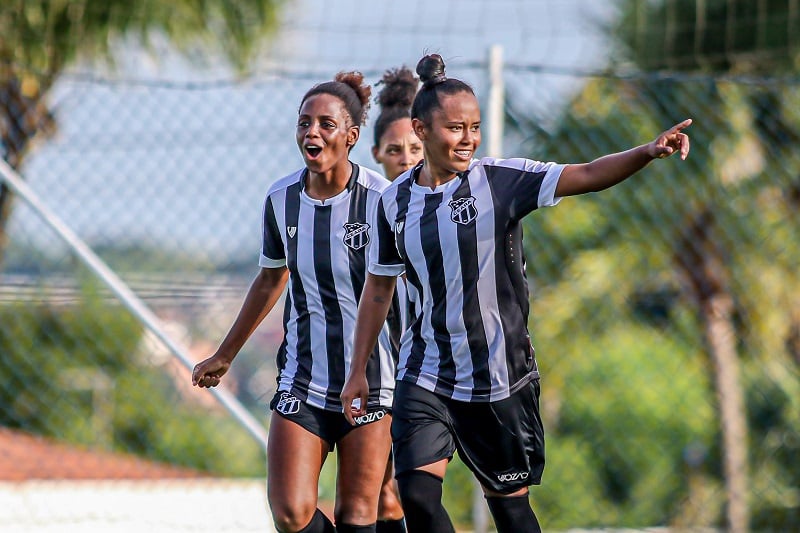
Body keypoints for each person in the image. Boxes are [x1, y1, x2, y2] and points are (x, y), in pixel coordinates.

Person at [341, 53, 692, 533]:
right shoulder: (393, 202)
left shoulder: (500, 182)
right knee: (418, 498)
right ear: (421, 131)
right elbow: (379, 290)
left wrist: (646, 152)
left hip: (499, 374)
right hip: (425, 371)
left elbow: (586, 174)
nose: (468, 139)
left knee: (510, 511)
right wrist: (358, 370)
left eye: (475, 127)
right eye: (455, 128)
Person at [192, 71, 401, 533]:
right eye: (304, 122)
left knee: (358, 515)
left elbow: (406, 289)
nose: (312, 132)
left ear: (351, 135)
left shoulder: (382, 201)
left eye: (326, 124)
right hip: (303, 378)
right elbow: (270, 279)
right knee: (290, 513)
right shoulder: (281, 199)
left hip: (372, 380)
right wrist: (225, 355)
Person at [369, 66, 423, 533]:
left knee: (417, 489)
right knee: (384, 493)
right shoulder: (369, 213)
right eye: (394, 150)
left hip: (437, 368)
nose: (405, 158)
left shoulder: (445, 210)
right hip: (380, 370)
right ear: (376, 156)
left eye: (414, 149)